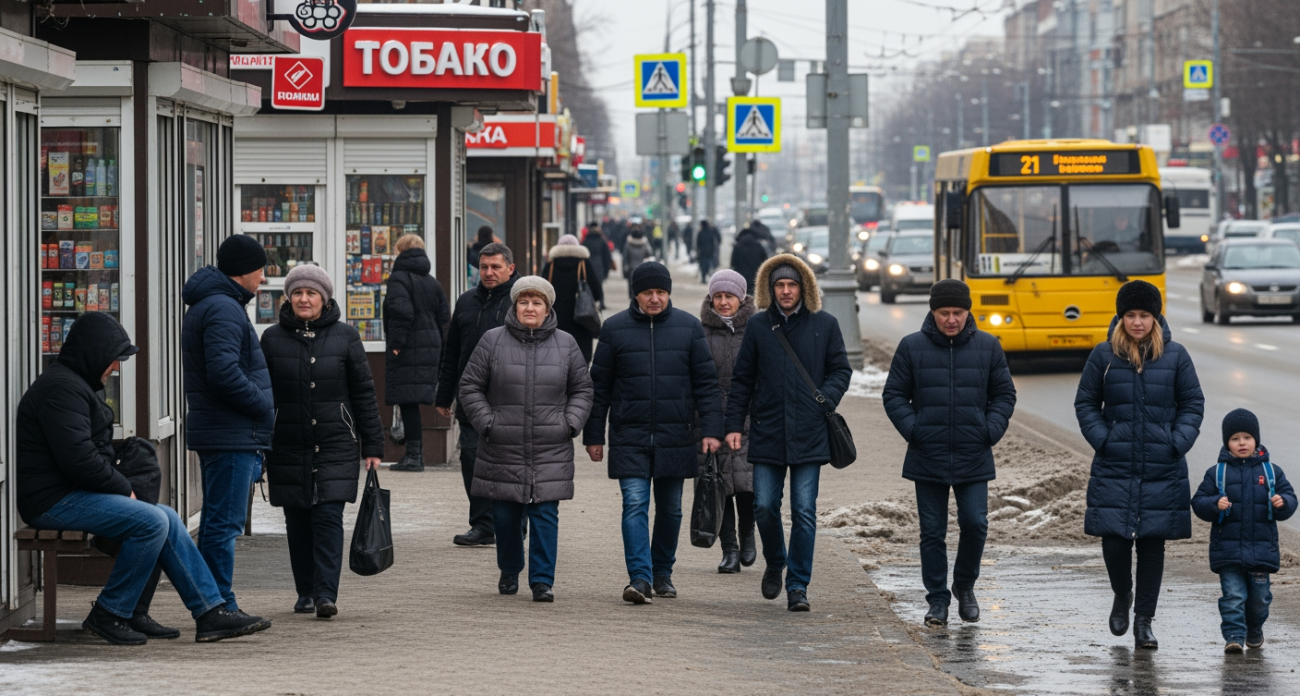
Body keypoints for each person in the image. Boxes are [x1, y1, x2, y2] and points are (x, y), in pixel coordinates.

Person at [18, 313, 270, 645]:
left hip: (69, 493)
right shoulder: (61, 390)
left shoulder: (74, 385)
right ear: (93, 353)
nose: (115, 367)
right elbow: (79, 461)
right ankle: (110, 611)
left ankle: (210, 612)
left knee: (164, 515)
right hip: (51, 502)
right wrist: (124, 489)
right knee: (150, 521)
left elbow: (85, 456)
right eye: (113, 359)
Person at [1075, 279, 1204, 650]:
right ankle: (1122, 593)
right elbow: (1085, 403)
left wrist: (1176, 442)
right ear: (1120, 318)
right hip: (1115, 464)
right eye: (1130, 315)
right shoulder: (1103, 356)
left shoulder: (1176, 356)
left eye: (1144, 315)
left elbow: (1193, 404)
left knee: (1151, 545)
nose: (1137, 322)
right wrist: (1104, 439)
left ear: (1155, 317)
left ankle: (1144, 621)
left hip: (1161, 466)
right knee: (1115, 542)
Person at [584, 262, 724, 604]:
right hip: (629, 434)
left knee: (671, 509)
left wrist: (711, 430)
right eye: (648, 292)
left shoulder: (689, 328)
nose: (655, 299)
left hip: (675, 434)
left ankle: (662, 572)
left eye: (661, 292)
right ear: (636, 294)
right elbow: (599, 387)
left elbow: (706, 385)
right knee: (634, 504)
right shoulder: (614, 329)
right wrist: (594, 435)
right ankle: (640, 578)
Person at [881, 279, 1017, 627]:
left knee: (976, 523)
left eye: (958, 312)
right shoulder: (912, 347)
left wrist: (990, 430)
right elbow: (894, 395)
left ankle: (965, 586)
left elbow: (1004, 394)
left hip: (974, 452)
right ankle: (938, 600)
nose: (952, 319)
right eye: (944, 313)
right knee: (932, 532)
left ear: (968, 312)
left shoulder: (988, 346)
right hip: (928, 453)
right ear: (933, 312)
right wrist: (915, 430)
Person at [725, 254, 852, 612]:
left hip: (810, 433)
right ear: (770, 288)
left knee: (804, 512)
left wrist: (825, 397)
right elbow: (743, 380)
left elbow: (841, 369)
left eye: (791, 285)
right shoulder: (759, 326)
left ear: (804, 288)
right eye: (779, 285)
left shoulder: (825, 325)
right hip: (767, 430)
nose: (785, 291)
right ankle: (776, 560)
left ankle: (798, 585)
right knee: (764, 505)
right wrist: (734, 425)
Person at [458, 277, 594, 603]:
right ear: (514, 305)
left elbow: (582, 389)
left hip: (550, 445)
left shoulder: (566, 343)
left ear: (547, 309)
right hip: (503, 444)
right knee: (505, 516)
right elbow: (470, 386)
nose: (529, 308)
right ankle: (509, 567)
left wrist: (570, 423)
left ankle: (542, 581)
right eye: (523, 301)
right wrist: (487, 422)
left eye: (536, 302)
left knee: (545, 514)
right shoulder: (492, 341)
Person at [261, 264, 385, 619]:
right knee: (298, 519)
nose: (304, 299)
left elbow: (363, 393)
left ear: (324, 299)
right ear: (288, 297)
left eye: (311, 293)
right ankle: (304, 590)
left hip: (336, 441)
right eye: (297, 293)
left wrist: (373, 445)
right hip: (288, 441)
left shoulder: (346, 337)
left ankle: (325, 594)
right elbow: (262, 394)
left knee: (328, 516)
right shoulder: (271, 339)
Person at [181, 234, 274, 613]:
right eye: (261, 269)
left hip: (225, 430)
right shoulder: (222, 307)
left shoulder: (218, 303)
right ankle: (217, 605)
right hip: (230, 432)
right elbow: (223, 373)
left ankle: (215, 601)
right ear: (245, 271)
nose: (264, 279)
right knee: (224, 525)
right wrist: (263, 404)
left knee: (220, 522)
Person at [1191, 410, 1297, 652]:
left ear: (1256, 440)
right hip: (1227, 549)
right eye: (1235, 438)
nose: (1241, 443)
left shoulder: (1271, 472)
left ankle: (1254, 628)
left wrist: (1283, 503)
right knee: (1233, 597)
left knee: (1260, 599)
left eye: (1247, 437)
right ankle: (1234, 637)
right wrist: (1214, 503)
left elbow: (1290, 498)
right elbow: (1198, 503)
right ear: (1227, 442)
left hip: (1261, 549)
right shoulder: (1217, 473)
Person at [436, 243, 519, 547]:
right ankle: (483, 525)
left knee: (510, 465)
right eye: (484, 267)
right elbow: (452, 353)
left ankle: (514, 520)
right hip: (472, 398)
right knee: (473, 461)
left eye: (496, 267)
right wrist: (444, 396)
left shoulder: (521, 303)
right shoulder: (466, 302)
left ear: (510, 268)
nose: (489, 272)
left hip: (511, 399)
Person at [699, 270, 759, 574]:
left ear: (741, 299)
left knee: (747, 485)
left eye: (729, 297)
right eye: (718, 297)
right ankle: (730, 549)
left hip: (751, 420)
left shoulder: (757, 328)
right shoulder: (700, 332)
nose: (723, 303)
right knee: (720, 485)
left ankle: (748, 535)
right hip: (712, 421)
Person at [383, 234, 451, 472]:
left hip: (410, 344)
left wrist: (396, 343)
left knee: (407, 400)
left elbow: (401, 311)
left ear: (400, 251)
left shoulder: (398, 278)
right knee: (410, 399)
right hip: (430, 344)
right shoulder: (432, 281)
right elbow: (444, 317)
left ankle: (414, 456)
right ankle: (415, 454)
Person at [542, 234, 605, 363]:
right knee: (580, 362)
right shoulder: (584, 263)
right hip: (582, 321)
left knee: (556, 361)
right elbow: (597, 292)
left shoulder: (551, 265)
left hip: (555, 321)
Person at [730, 226, 770, 295]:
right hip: (755, 276)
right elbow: (765, 262)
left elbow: (733, 263)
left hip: (741, 276)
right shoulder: (758, 246)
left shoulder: (738, 247)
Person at [621, 226, 653, 299]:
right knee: (642, 287)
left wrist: (624, 269)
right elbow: (649, 254)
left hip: (631, 269)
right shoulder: (644, 245)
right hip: (642, 269)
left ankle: (633, 301)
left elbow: (625, 257)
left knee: (632, 287)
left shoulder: (628, 245)